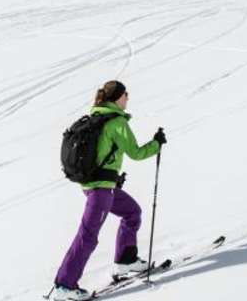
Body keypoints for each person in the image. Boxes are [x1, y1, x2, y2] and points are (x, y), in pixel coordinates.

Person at [50, 80, 167, 301]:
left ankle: (126, 260)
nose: (128, 98)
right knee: (87, 236)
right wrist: (156, 144)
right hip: (100, 190)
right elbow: (136, 153)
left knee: (132, 212)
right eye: (126, 94)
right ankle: (65, 286)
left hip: (97, 186)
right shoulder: (116, 122)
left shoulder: (96, 117)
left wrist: (112, 177)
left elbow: (102, 154)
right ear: (118, 97)